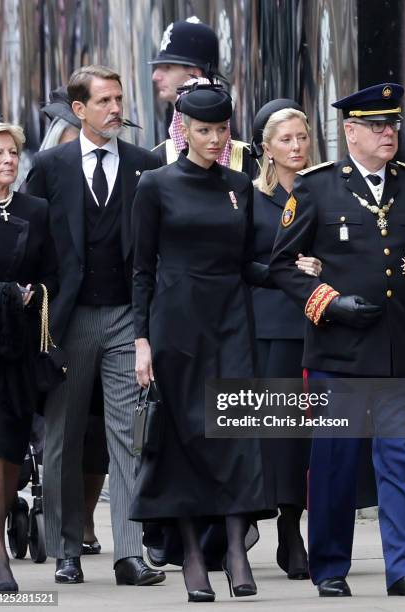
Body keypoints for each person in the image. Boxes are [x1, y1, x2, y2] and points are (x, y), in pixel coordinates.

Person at [269, 82, 405, 597]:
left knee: (399, 459)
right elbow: (282, 265)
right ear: (350, 132)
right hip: (340, 351)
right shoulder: (316, 187)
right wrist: (329, 302)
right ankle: (329, 565)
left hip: (402, 348)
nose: (387, 133)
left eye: (392, 124)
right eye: (376, 126)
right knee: (336, 461)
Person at [129, 82, 276, 602]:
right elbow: (142, 270)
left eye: (221, 130)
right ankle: (191, 554)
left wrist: (296, 269)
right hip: (177, 325)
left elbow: (249, 264)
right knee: (185, 437)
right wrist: (141, 340)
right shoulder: (155, 185)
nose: (214, 139)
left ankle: (235, 550)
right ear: (183, 130)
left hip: (233, 321)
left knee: (237, 432)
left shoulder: (239, 185)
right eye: (203, 130)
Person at [25, 65, 165, 587]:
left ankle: (129, 553)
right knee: (61, 436)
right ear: (79, 109)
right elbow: (31, 237)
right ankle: (66, 549)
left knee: (127, 436)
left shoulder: (143, 166)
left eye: (119, 99)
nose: (115, 109)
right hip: (69, 318)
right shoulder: (50, 165)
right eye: (104, 101)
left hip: (127, 316)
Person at [0, 119, 57, 592]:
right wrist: (3, 295)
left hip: (22, 347)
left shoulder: (37, 209)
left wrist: (34, 297)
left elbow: (54, 272)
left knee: (12, 449)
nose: (9, 161)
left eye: (13, 153)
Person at [250, 99, 320, 580]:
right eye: (285, 140)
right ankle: (286, 529)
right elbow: (237, 262)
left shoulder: (328, 190)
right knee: (280, 432)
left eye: (302, 137)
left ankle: (304, 526)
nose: (296, 147)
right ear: (266, 149)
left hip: (323, 323)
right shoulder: (249, 196)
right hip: (272, 327)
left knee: (316, 432)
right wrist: (284, 274)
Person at [40, 85, 109, 556]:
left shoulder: (126, 161)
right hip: (66, 313)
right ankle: (63, 532)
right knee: (66, 427)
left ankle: (85, 519)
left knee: (102, 429)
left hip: (115, 312)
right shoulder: (50, 166)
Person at [150, 18, 256, 176]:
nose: (155, 76)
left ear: (195, 73)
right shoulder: (159, 155)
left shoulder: (246, 159)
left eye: (167, 67)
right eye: (204, 130)